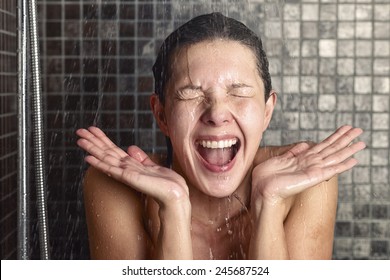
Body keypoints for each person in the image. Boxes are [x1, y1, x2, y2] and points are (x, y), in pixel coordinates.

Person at [76, 12, 365, 260]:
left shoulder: (308, 178)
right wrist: (173, 209)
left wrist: (269, 203)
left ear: (267, 111)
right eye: (191, 94)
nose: (217, 113)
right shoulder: (117, 186)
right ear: (162, 115)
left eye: (238, 92)